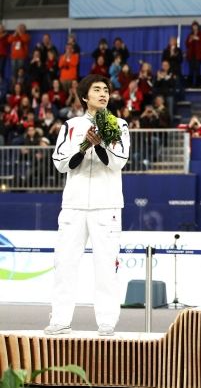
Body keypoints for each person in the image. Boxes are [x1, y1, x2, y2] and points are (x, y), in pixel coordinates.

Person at [45, 74, 130, 336]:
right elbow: (60, 163)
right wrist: (83, 147)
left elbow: (120, 161)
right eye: (97, 89)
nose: (103, 94)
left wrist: (100, 144)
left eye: (106, 90)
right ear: (85, 96)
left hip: (107, 206)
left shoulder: (119, 124)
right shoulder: (70, 125)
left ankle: (106, 321)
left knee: (106, 266)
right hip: (74, 205)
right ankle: (60, 319)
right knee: (65, 264)